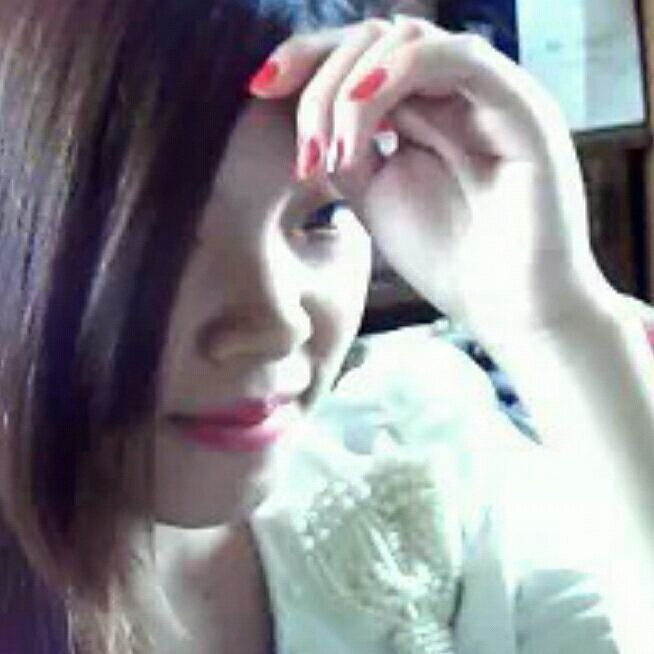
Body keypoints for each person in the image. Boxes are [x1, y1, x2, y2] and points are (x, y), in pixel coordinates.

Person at [0, 0, 653, 653]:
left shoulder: (421, 465)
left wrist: (558, 323)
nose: (277, 325)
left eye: (321, 218)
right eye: (159, 233)